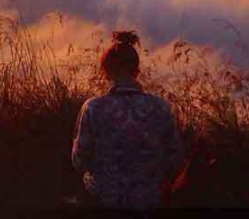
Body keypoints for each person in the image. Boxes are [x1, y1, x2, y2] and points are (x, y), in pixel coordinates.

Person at [72, 30, 183, 208]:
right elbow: (175, 160)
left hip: (104, 199)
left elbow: (79, 161)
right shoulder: (162, 107)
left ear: (106, 71)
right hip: (150, 200)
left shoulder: (92, 108)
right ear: (137, 71)